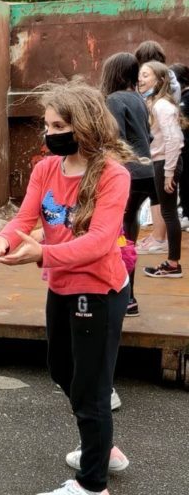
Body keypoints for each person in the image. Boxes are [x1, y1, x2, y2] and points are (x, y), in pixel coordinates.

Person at [0, 80, 136, 495]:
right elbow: (24, 218)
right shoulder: (47, 168)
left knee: (91, 387)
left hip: (99, 291)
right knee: (62, 369)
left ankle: (92, 488)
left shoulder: (112, 175)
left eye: (58, 125)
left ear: (83, 125)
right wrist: (3, 243)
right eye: (47, 125)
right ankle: (102, 448)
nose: (49, 133)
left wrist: (40, 252)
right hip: (62, 285)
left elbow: (102, 242)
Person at [99, 52, 153, 315]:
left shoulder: (113, 100)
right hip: (146, 173)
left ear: (113, 73)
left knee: (117, 235)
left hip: (126, 174)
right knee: (129, 234)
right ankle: (129, 296)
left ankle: (123, 295)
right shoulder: (138, 99)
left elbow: (114, 140)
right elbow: (148, 136)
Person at [138, 61, 184, 278]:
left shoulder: (161, 106)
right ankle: (172, 263)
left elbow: (174, 139)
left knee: (168, 212)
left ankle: (173, 264)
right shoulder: (155, 103)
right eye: (140, 74)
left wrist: (168, 172)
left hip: (165, 162)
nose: (140, 78)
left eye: (145, 75)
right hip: (161, 161)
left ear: (159, 79)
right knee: (169, 211)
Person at [170, 63, 189, 231]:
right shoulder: (180, 100)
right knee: (183, 183)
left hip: (186, 149)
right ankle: (185, 213)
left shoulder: (186, 99)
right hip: (183, 150)